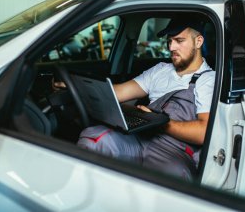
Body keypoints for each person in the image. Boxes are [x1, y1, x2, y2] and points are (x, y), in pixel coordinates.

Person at [77, 15, 215, 180]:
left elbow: (203, 132)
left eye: (179, 41)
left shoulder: (208, 79)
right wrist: (72, 86)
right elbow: (119, 92)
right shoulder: (160, 70)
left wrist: (159, 121)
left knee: (170, 183)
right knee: (93, 139)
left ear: (198, 42)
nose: (171, 47)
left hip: (173, 149)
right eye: (169, 41)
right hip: (141, 137)